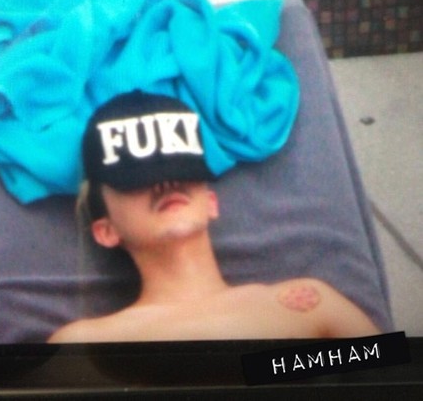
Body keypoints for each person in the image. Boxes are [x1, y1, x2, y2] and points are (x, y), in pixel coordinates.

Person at [48, 90, 380, 343]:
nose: (166, 183)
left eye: (182, 171)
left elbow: (389, 368)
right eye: (137, 179)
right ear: (106, 231)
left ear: (211, 203)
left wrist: (273, 368)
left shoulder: (305, 301)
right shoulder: (85, 342)